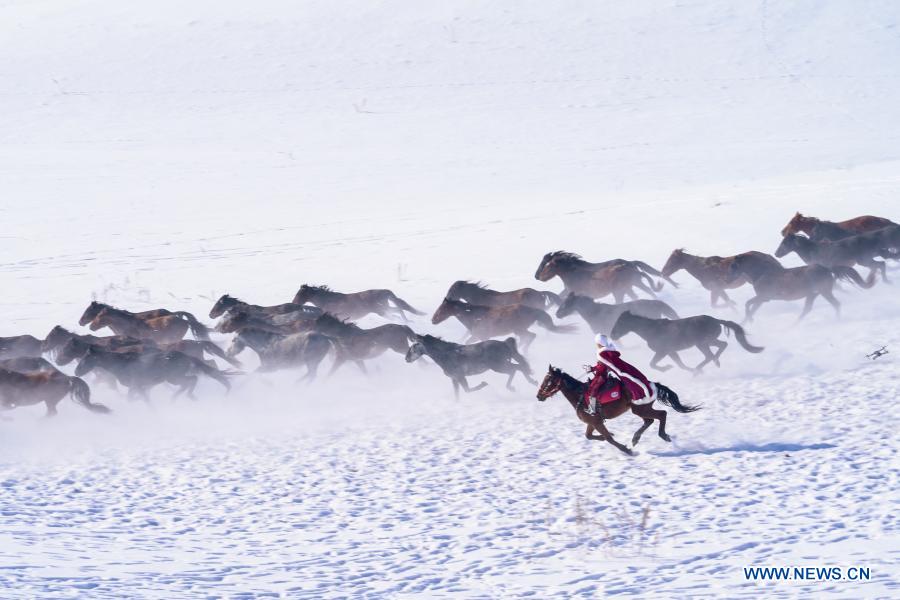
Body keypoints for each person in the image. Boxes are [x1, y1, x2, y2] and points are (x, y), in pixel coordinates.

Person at [584, 333, 655, 415]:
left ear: (599, 343)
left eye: (597, 343)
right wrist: (592, 368)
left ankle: (593, 409)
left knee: (593, 390)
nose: (596, 345)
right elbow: (602, 365)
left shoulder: (603, 353)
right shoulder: (606, 351)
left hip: (601, 376)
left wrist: (593, 369)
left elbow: (603, 366)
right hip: (600, 374)